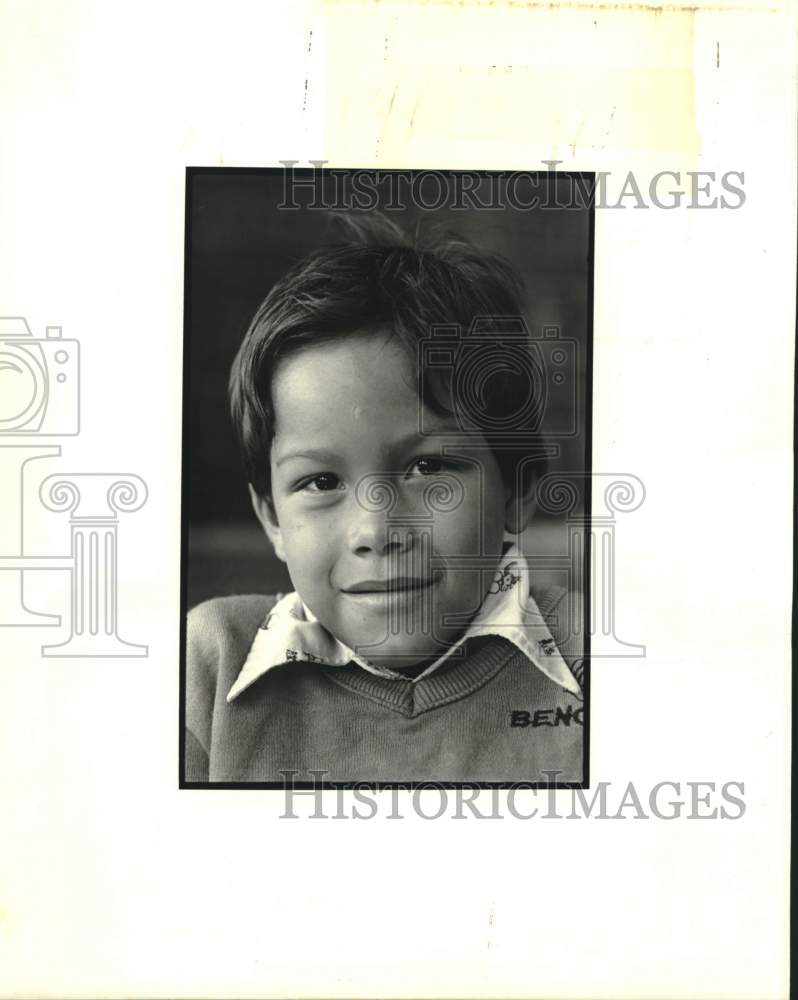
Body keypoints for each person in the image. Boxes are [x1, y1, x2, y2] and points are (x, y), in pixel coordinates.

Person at [184, 215, 584, 783]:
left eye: (427, 468)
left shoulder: (593, 656)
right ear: (271, 516)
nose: (375, 530)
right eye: (322, 482)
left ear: (518, 491)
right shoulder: (209, 666)